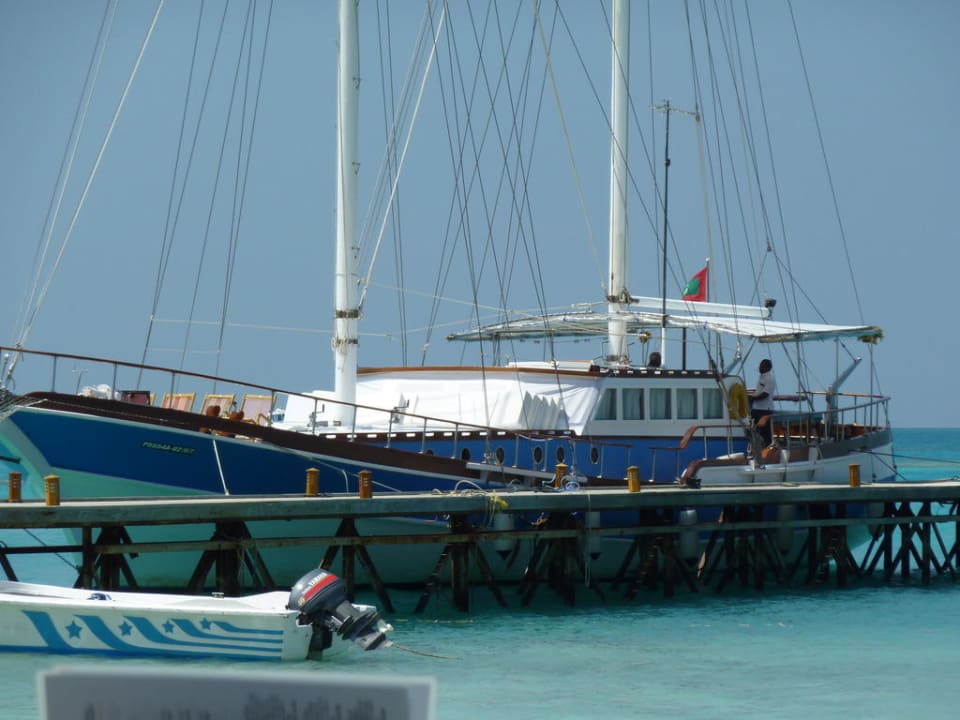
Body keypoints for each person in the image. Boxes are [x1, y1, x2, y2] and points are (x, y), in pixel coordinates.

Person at [750, 359, 776, 447]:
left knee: (765, 432)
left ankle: (767, 449)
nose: (760, 368)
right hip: (756, 408)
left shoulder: (770, 378)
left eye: (763, 366)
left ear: (768, 368)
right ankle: (756, 447)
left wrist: (753, 398)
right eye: (760, 365)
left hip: (765, 410)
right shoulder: (761, 376)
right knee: (754, 429)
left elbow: (765, 394)